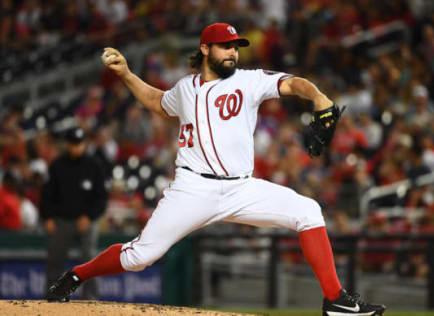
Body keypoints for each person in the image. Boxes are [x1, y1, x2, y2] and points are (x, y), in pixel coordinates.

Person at [46, 23, 386, 315]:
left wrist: (320, 98)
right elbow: (155, 101)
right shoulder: (184, 89)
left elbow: (295, 84)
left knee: (308, 211)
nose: (232, 53)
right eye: (225, 47)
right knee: (139, 257)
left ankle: (335, 302)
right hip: (193, 190)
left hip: (242, 188)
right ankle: (77, 275)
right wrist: (126, 74)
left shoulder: (249, 81)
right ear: (205, 48)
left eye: (236, 47)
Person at [41, 127, 108, 300]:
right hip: (62, 220)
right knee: (55, 260)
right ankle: (52, 298)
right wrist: (47, 217)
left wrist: (90, 216)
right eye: (73, 144)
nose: (76, 147)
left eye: (79, 144)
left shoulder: (94, 165)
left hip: (87, 221)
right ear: (67, 144)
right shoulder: (57, 165)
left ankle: (91, 299)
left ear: (84, 144)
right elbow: (47, 194)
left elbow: (101, 197)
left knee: (90, 261)